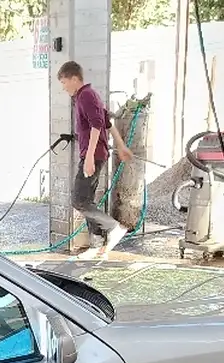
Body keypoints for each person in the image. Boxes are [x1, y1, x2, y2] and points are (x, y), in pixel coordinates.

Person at [57, 61, 133, 258]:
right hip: (94, 154)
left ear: (74, 79)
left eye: (64, 82)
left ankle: (113, 228)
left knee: (78, 200)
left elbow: (97, 125)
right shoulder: (89, 95)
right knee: (86, 200)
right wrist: (121, 146)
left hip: (93, 155)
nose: (63, 87)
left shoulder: (85, 96)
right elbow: (108, 123)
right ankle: (97, 243)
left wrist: (89, 157)